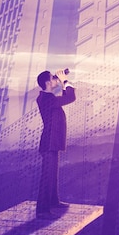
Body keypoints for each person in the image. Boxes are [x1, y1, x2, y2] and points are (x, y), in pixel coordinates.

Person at [35, 69, 76, 219]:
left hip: (52, 142)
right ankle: (42, 209)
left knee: (52, 175)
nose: (55, 80)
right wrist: (64, 81)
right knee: (47, 176)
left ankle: (53, 201)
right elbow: (70, 98)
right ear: (47, 82)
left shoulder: (48, 97)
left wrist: (61, 82)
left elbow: (65, 97)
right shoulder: (47, 99)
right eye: (53, 78)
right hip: (49, 143)